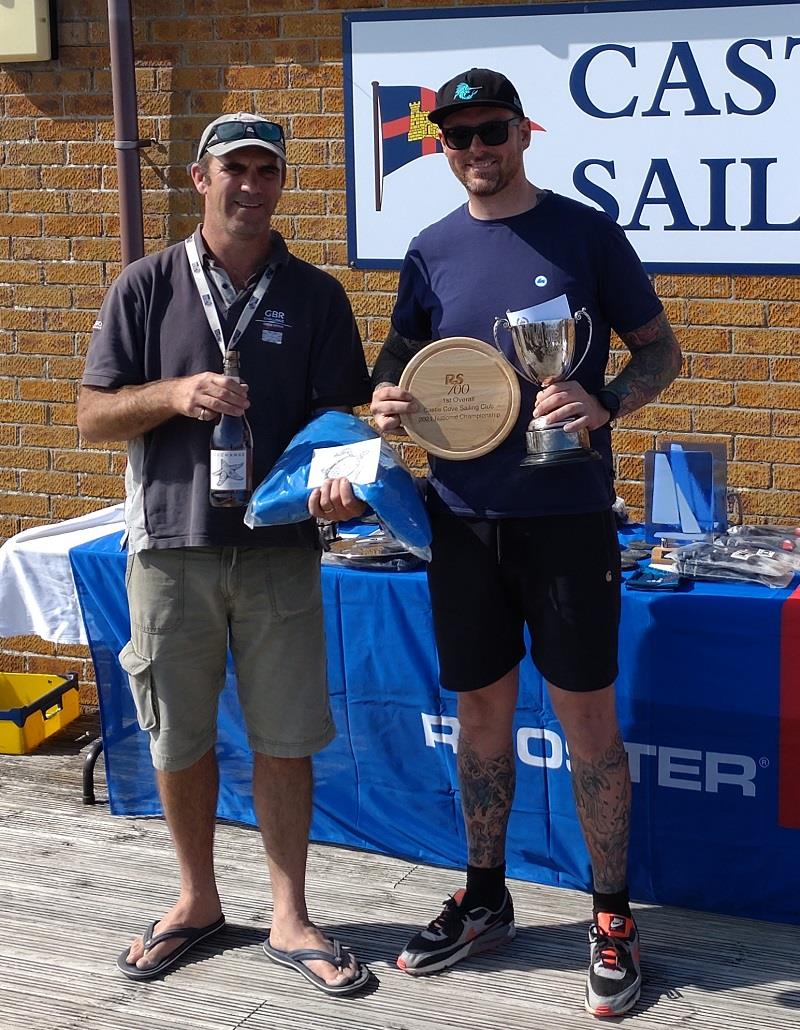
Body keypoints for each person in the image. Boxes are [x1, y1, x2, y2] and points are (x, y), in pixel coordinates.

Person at [370, 69, 681, 1018]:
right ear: (442, 145)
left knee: (588, 724)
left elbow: (660, 350)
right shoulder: (428, 252)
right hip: (461, 520)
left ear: (523, 132)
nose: (475, 150)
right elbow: (396, 369)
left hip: (569, 521)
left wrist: (608, 399)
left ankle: (613, 916)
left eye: (491, 131)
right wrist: (384, 406)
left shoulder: (586, 231)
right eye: (456, 137)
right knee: (480, 719)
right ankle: (486, 895)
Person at [77, 112, 371, 996]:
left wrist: (344, 486)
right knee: (179, 737)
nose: (251, 185)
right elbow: (92, 416)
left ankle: (290, 913)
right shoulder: (145, 285)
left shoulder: (317, 296)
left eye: (266, 171)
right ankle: (197, 900)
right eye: (233, 169)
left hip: (280, 550)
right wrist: (175, 392)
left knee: (286, 738)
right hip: (170, 549)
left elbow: (342, 431)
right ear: (200, 180)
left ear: (282, 183)